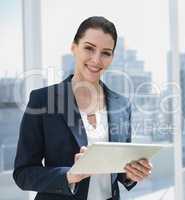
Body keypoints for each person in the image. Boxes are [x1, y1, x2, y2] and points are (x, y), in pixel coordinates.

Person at [13, 16, 152, 200]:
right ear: (74, 48)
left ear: (112, 57)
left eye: (106, 53)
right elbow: (23, 173)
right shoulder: (43, 101)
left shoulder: (122, 105)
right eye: (89, 48)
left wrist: (131, 173)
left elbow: (116, 168)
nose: (96, 60)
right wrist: (71, 175)